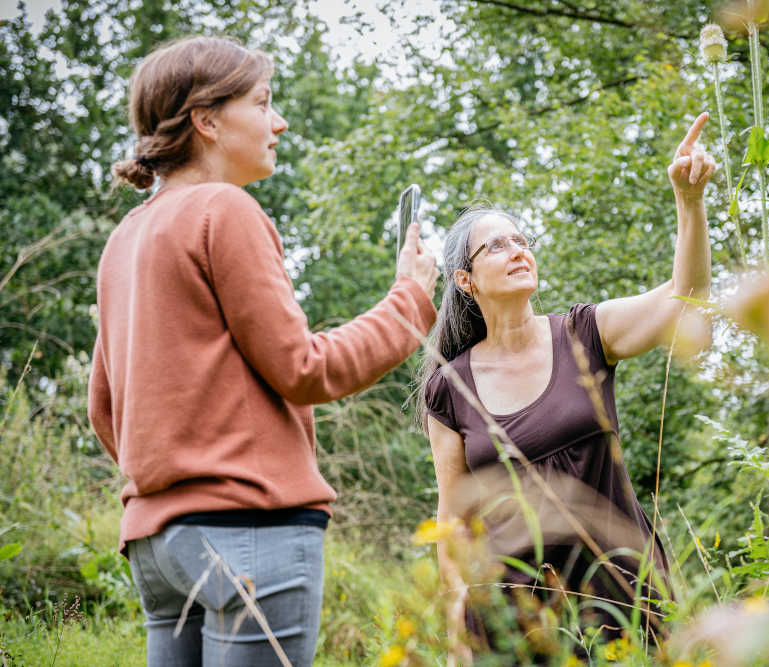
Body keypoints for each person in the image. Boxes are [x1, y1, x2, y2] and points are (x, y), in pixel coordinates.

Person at [87, 36, 439, 666]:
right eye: (264, 103)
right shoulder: (225, 209)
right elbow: (304, 369)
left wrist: (175, 474)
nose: (278, 122)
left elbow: (104, 409)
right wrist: (409, 298)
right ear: (208, 120)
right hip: (247, 534)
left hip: (157, 545)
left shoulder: (127, 236)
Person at [419, 113, 715, 652]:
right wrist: (458, 626)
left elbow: (685, 298)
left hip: (622, 605)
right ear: (465, 280)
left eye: (521, 240)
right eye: (497, 246)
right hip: (515, 627)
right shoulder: (451, 389)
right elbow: (452, 522)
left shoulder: (585, 335)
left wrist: (689, 204)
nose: (517, 250)